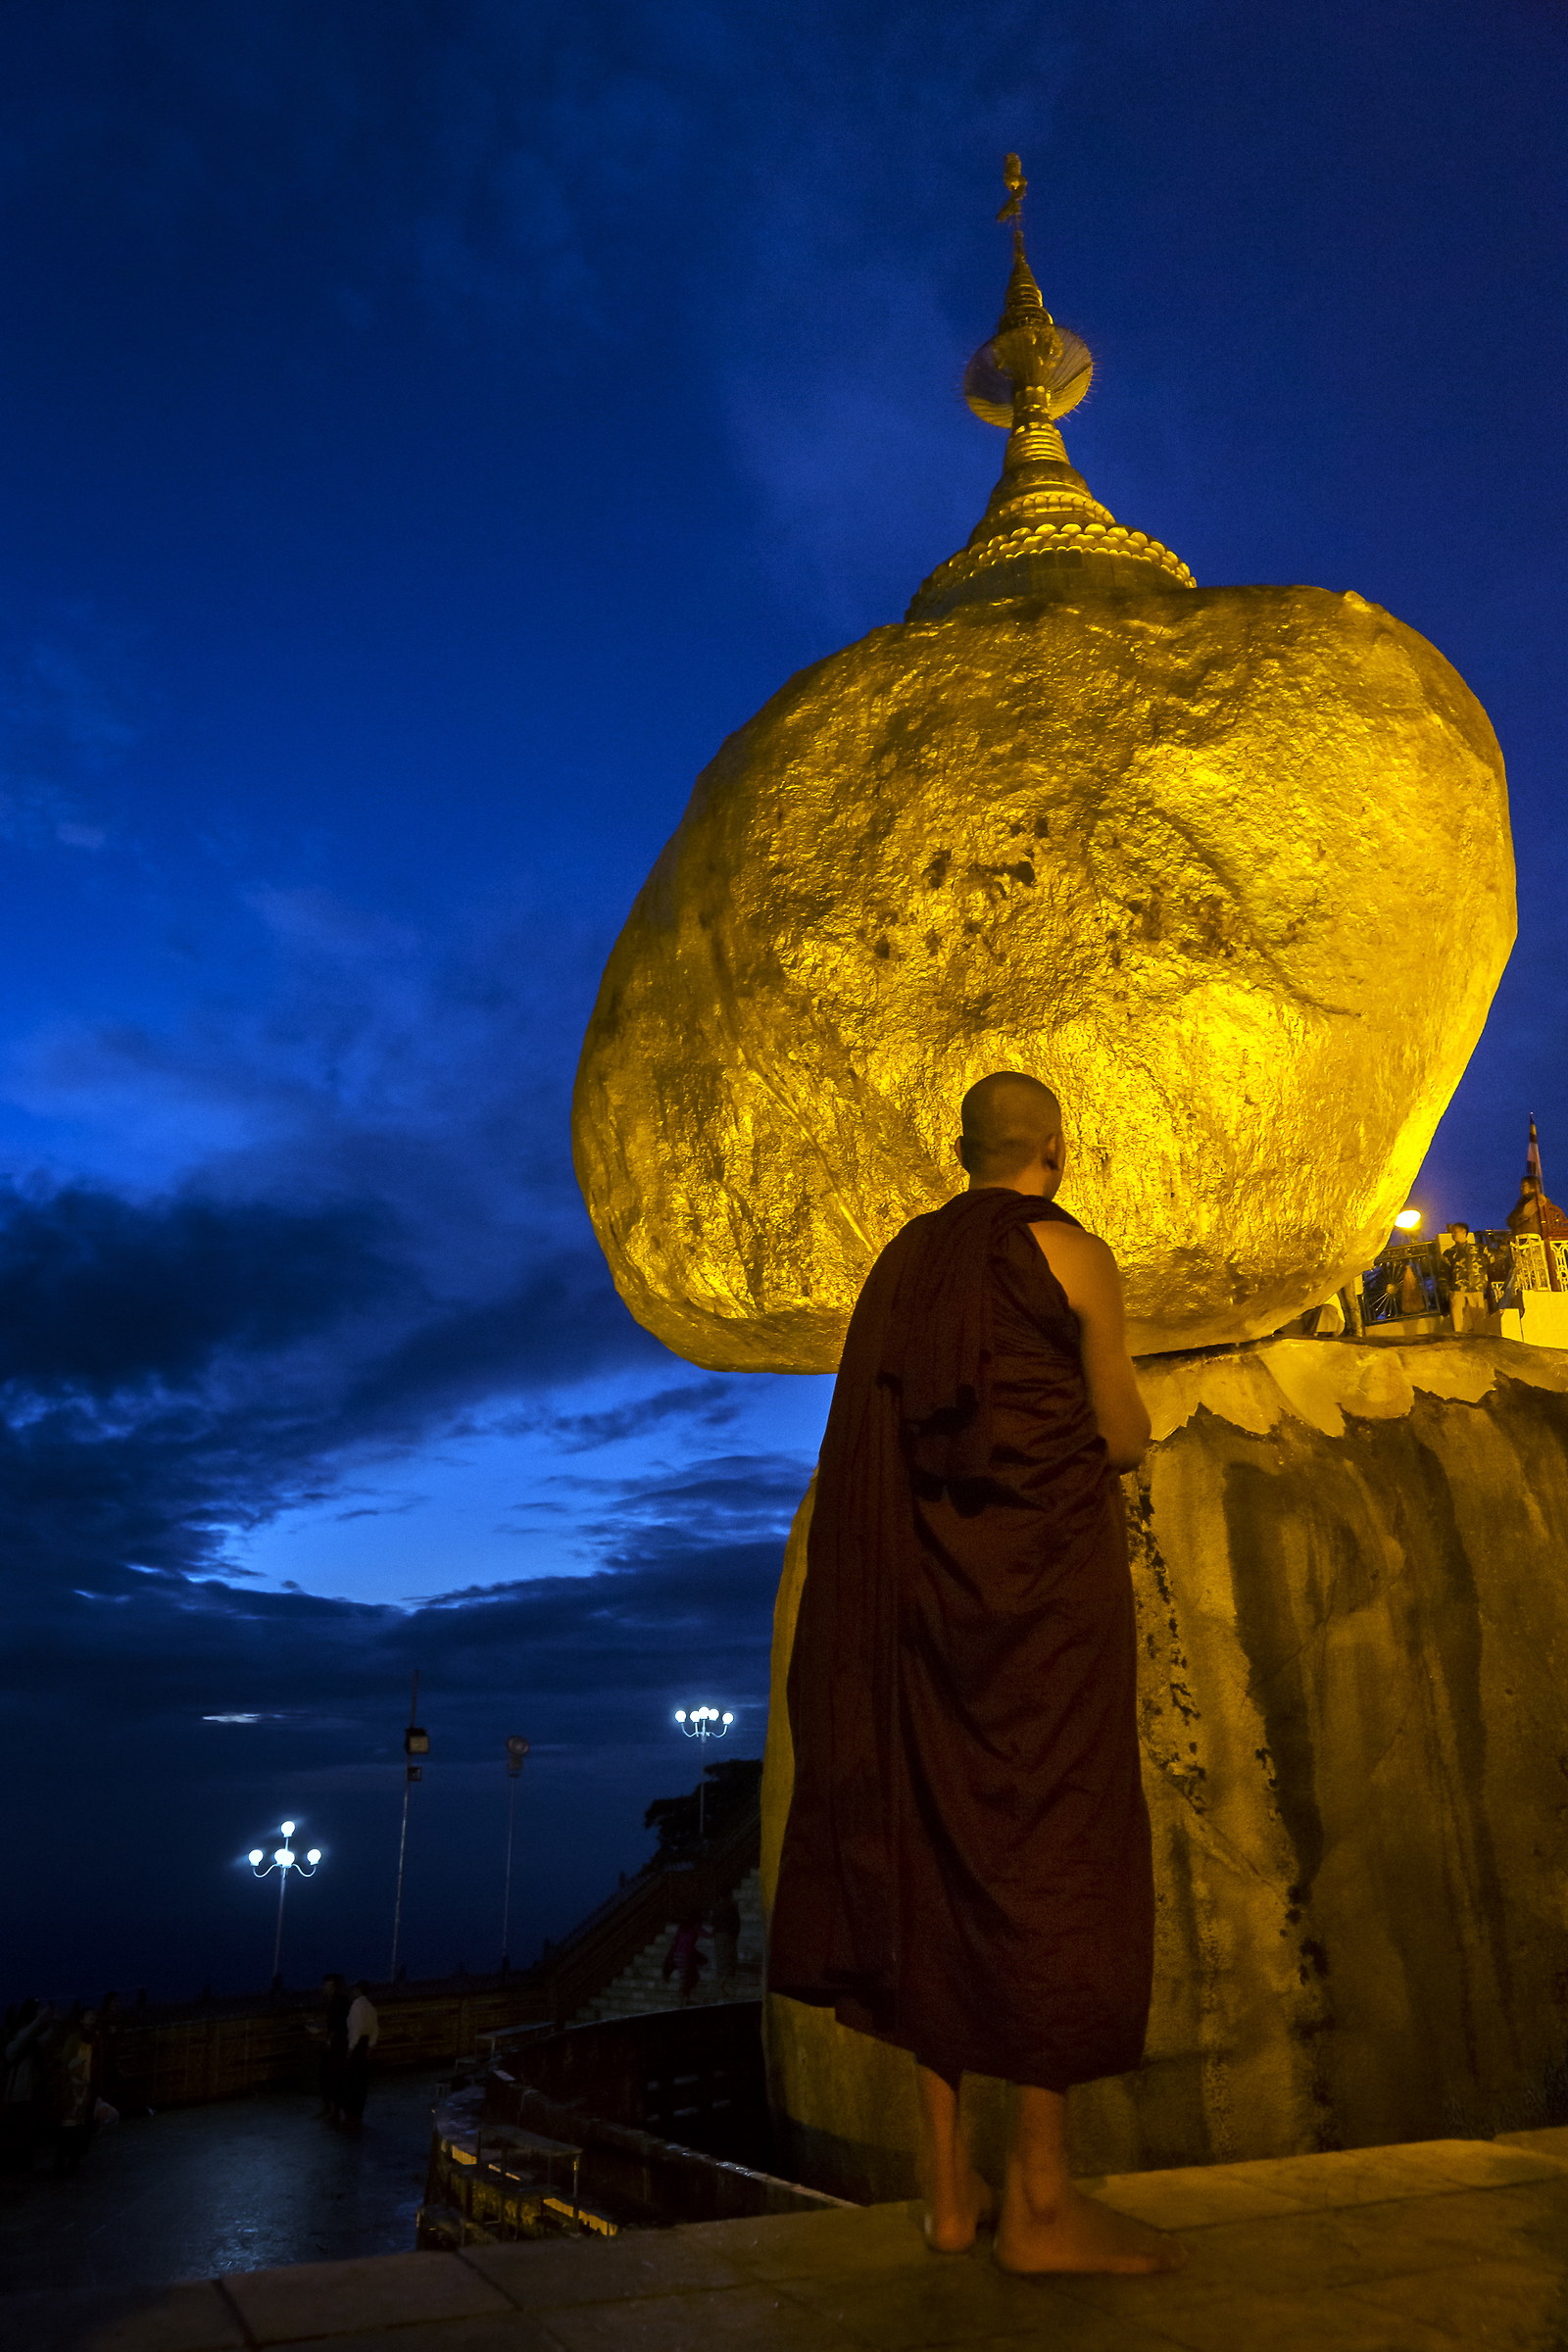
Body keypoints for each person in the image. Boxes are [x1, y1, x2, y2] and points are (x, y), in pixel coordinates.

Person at [769, 1072, 1182, 2278]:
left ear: (960, 1155)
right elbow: (1118, 1431)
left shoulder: (902, 1267)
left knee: (927, 1858)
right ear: (1058, 1146)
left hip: (915, 1616)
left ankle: (948, 2197)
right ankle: (1042, 2201)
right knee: (1053, 1857)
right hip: (1046, 1615)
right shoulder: (1072, 1255)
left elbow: (873, 1446)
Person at [341, 1982, 378, 2131]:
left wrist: (350, 2048)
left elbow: (355, 2029)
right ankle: (358, 2115)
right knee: (361, 2083)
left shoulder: (356, 2005)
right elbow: (375, 2028)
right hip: (365, 2045)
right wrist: (370, 2046)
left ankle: (350, 2116)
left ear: (357, 1990)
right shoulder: (369, 2006)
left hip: (356, 2046)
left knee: (351, 2083)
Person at [316, 1974, 350, 2124]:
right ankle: (330, 2108)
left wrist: (328, 2038)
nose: (324, 1988)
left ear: (333, 1986)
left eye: (327, 1985)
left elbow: (339, 2024)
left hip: (337, 2044)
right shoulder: (335, 2001)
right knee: (329, 2076)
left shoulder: (337, 2002)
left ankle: (334, 2110)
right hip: (336, 2042)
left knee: (333, 2076)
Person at [662, 1915, 708, 2005]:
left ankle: (684, 1998)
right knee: (688, 1979)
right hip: (686, 1956)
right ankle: (682, 2000)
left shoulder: (682, 1928)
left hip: (678, 1955)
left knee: (691, 1977)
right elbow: (706, 1934)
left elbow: (675, 1941)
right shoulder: (696, 1927)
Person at [709, 1889, 741, 1992]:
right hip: (727, 1934)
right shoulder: (730, 1906)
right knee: (729, 1960)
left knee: (722, 1959)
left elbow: (712, 1921)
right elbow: (735, 1921)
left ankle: (723, 1984)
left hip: (719, 1934)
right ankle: (723, 1984)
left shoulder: (717, 1907)